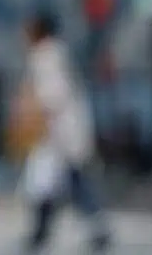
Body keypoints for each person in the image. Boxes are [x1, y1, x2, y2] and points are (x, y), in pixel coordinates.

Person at [21, 13, 112, 253]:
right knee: (51, 182)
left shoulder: (46, 57)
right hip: (62, 129)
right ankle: (44, 231)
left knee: (65, 180)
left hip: (62, 129)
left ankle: (93, 229)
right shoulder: (55, 53)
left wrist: (32, 115)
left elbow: (53, 95)